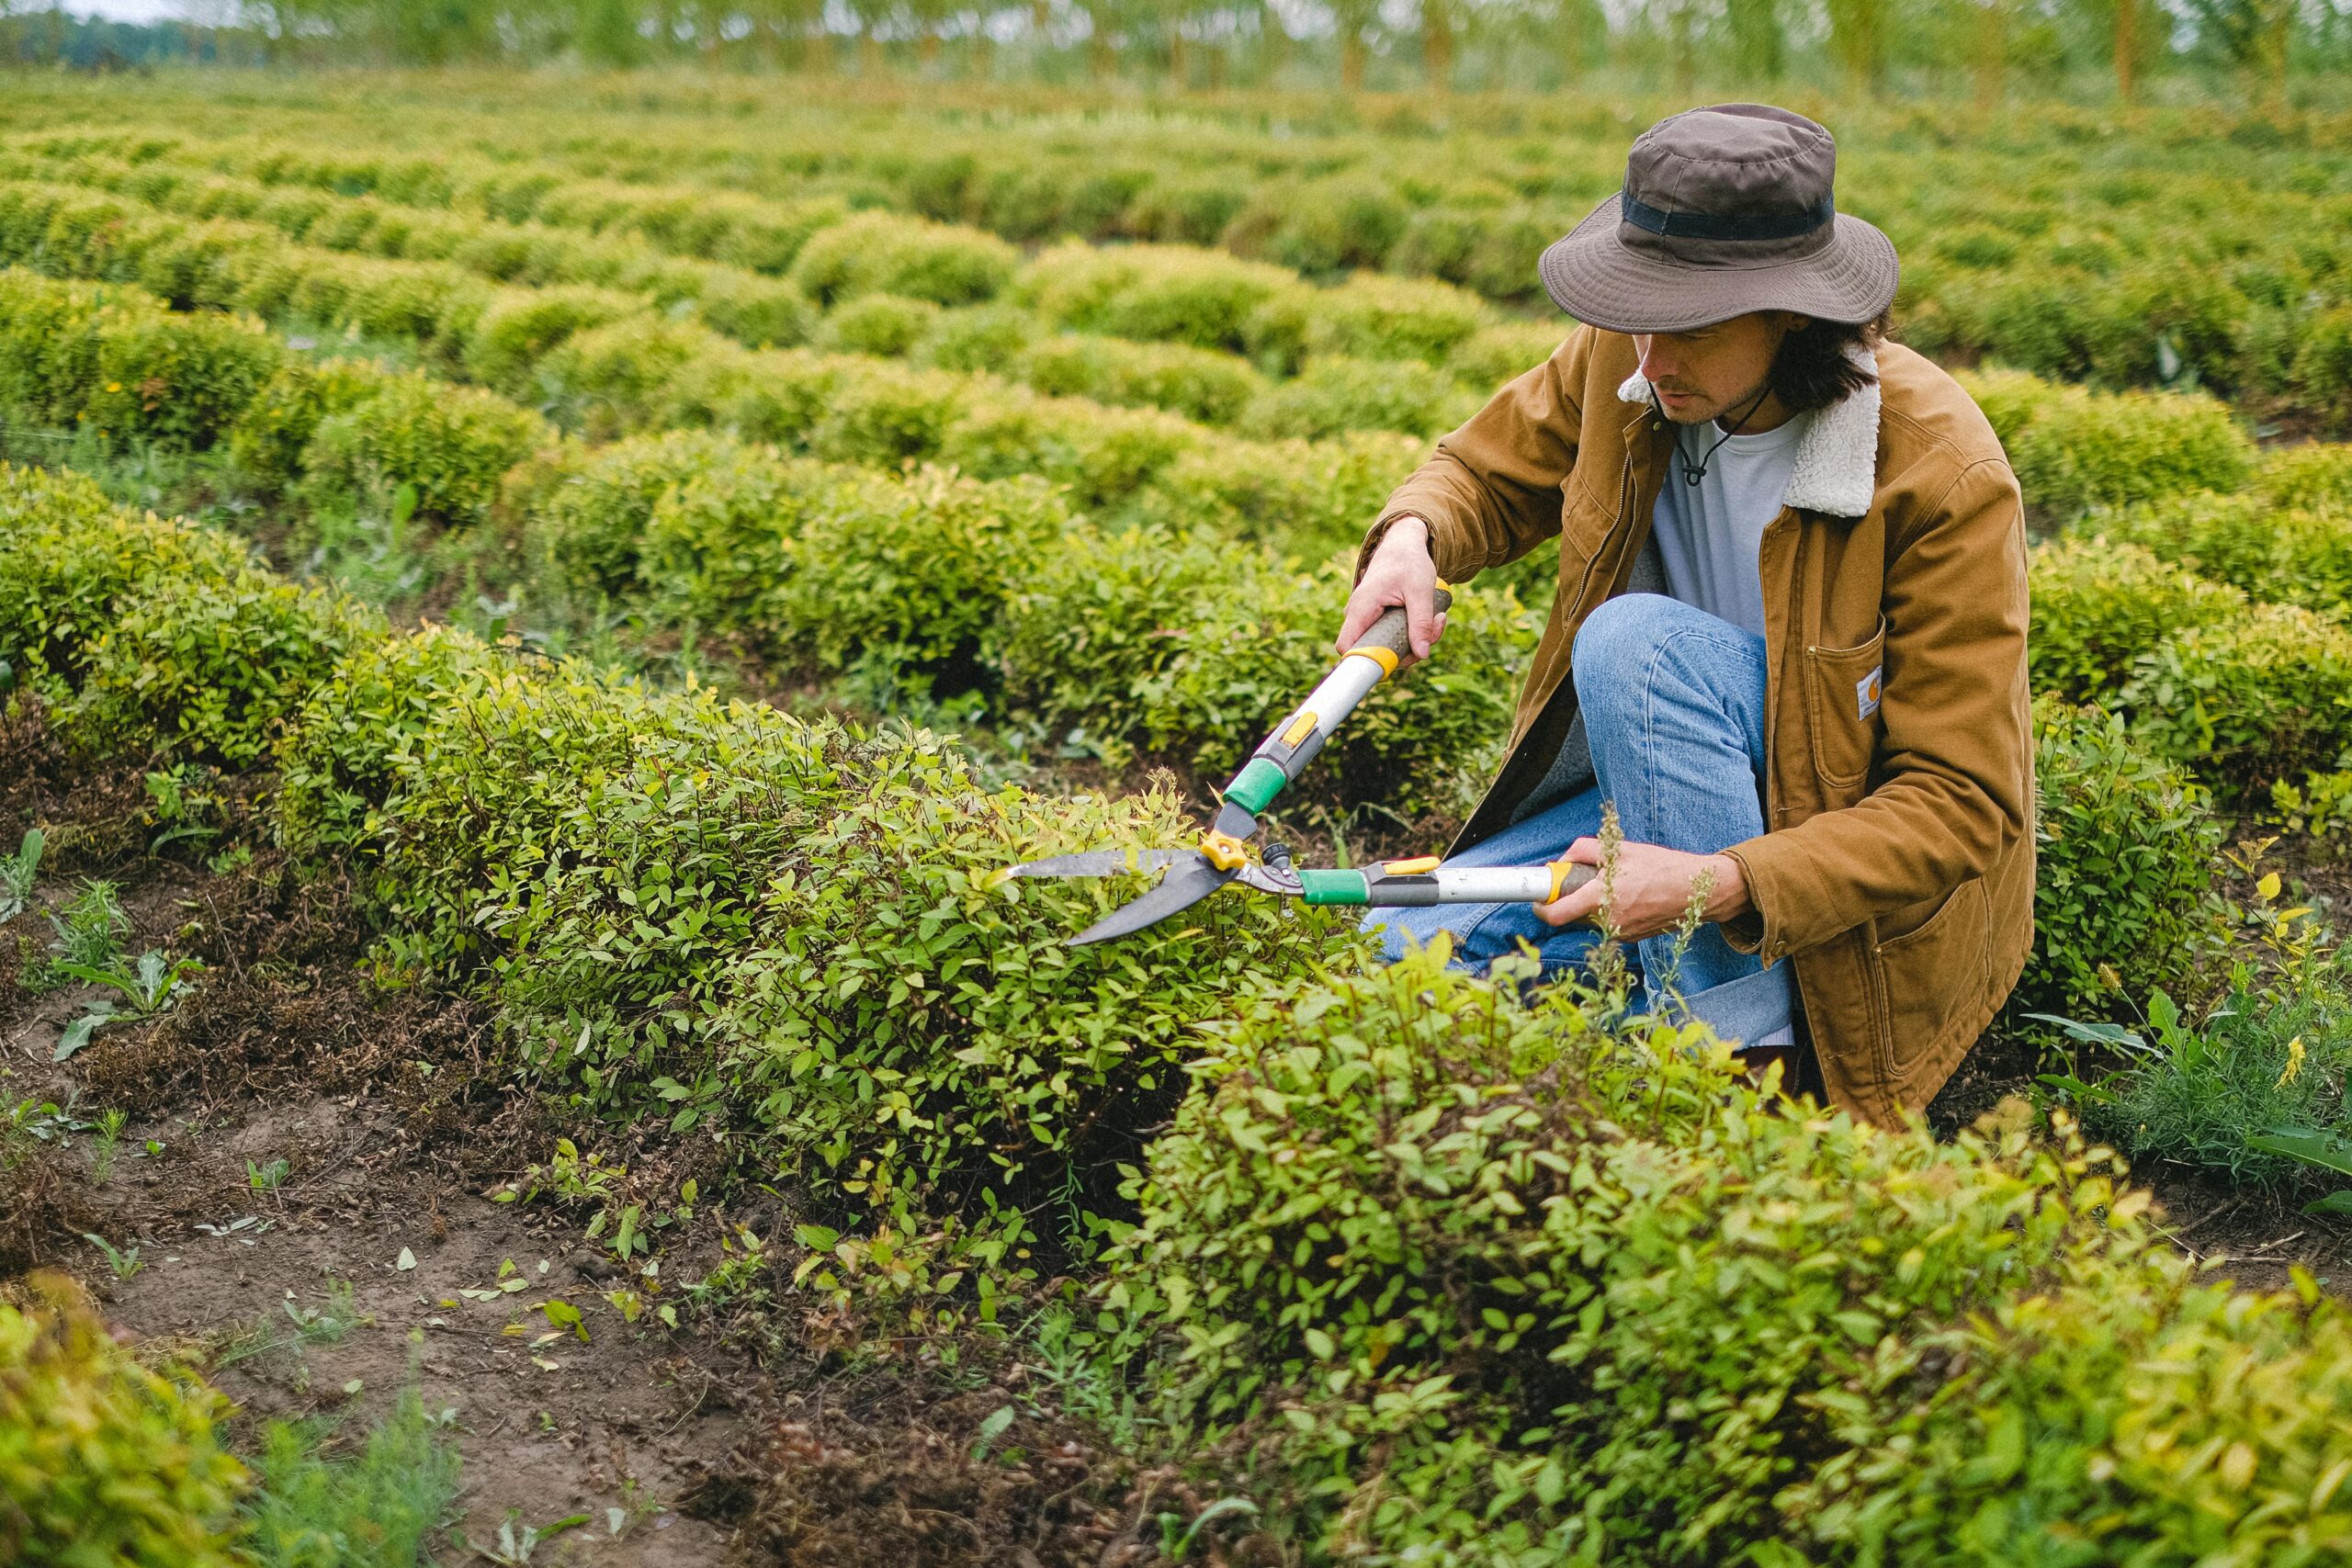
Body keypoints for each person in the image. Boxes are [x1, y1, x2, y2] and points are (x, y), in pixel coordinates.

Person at [1337, 103, 2031, 1124]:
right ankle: (1661, 994)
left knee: (1634, 643)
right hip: (1662, 785)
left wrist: (1717, 879)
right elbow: (1481, 473)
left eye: (1688, 325)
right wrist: (1415, 537)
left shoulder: (1939, 470)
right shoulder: (1628, 365)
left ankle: (1739, 1062)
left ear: (1794, 314)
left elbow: (1958, 803)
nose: (1645, 360)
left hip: (1828, 843)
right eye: (1635, 315)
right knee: (1392, 950)